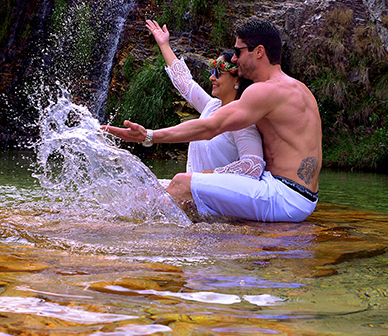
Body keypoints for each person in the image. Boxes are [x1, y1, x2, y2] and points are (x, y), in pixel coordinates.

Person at [105, 18, 322, 223]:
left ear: (259, 51)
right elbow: (187, 86)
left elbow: (211, 127)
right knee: (151, 190)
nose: (235, 58)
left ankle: (171, 247)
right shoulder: (297, 88)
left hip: (285, 196)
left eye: (238, 51)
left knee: (182, 183)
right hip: (298, 194)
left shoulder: (265, 91)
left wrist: (149, 136)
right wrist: (165, 45)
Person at [145, 19, 264, 180]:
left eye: (218, 73)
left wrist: (203, 177)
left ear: (237, 80)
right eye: (212, 71)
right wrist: (164, 45)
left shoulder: (243, 121)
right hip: (189, 189)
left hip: (210, 197)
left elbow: (252, 165)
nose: (211, 78)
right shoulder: (212, 107)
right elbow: (184, 82)